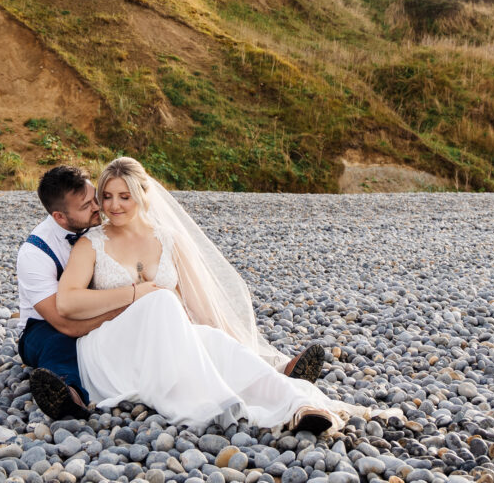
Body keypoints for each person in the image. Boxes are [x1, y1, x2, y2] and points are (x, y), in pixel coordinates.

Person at [55, 157, 361, 433]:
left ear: (143, 195)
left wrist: (231, 343)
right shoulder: (91, 243)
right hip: (111, 351)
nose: (114, 206)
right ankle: (225, 404)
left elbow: (202, 307)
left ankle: (300, 406)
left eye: (125, 196)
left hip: (166, 340)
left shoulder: (168, 240)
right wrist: (138, 292)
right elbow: (67, 303)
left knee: (218, 345)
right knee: (161, 300)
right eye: (106, 196)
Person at [15, 165, 121, 420]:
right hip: (42, 327)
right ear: (60, 217)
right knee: (60, 343)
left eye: (95, 198)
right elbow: (65, 324)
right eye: (86, 206)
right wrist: (123, 311)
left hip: (98, 308)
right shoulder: (35, 253)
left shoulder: (104, 226)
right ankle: (68, 394)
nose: (98, 208)